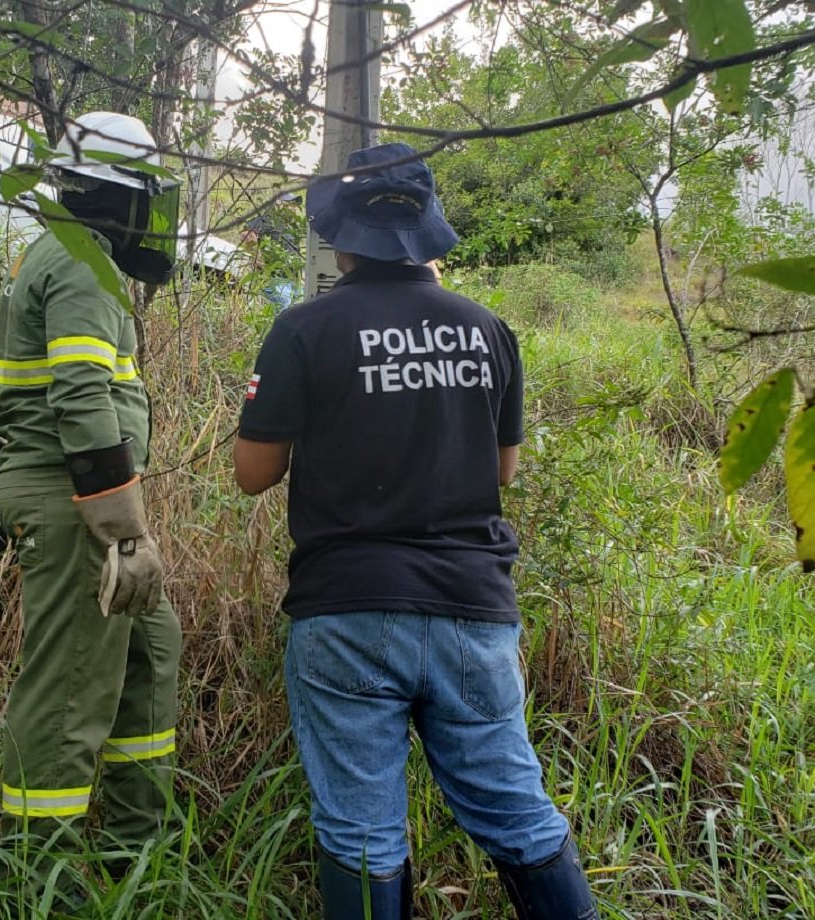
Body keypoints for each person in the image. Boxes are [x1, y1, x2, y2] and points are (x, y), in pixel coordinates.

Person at [232, 142, 599, 920]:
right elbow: (503, 472)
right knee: (519, 813)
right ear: (429, 233)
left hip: (348, 609)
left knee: (361, 834)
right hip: (473, 609)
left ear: (341, 238)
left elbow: (252, 473)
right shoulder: (487, 328)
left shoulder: (304, 328)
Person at [0, 111, 183, 911]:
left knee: (149, 652)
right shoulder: (76, 264)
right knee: (72, 688)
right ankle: (42, 884)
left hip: (85, 502)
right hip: (78, 506)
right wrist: (124, 530)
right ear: (119, 196)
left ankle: (138, 852)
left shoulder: (75, 256)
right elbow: (80, 398)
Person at [242, 191, 304, 310]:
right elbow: (246, 233)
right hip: (275, 280)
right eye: (290, 204)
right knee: (284, 304)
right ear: (278, 204)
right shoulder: (268, 219)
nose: (294, 207)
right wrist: (257, 258)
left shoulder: (292, 227)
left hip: (293, 282)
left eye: (295, 204)